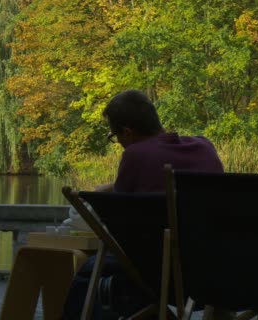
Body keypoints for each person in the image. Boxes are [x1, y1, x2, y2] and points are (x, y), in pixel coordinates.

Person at [61, 89, 224, 319]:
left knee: (89, 273)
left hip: (163, 276)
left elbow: (119, 224)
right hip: (216, 272)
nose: (118, 143)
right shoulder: (204, 147)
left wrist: (101, 191)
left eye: (115, 138)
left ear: (127, 133)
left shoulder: (136, 155)